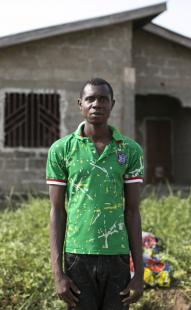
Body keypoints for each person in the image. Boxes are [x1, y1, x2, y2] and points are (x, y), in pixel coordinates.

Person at [47, 78, 145, 310]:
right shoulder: (62, 150)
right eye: (90, 99)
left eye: (103, 99)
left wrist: (139, 274)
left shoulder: (129, 150)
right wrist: (57, 273)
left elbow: (132, 212)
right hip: (77, 256)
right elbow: (57, 212)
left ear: (112, 104)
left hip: (117, 256)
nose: (96, 104)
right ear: (80, 104)